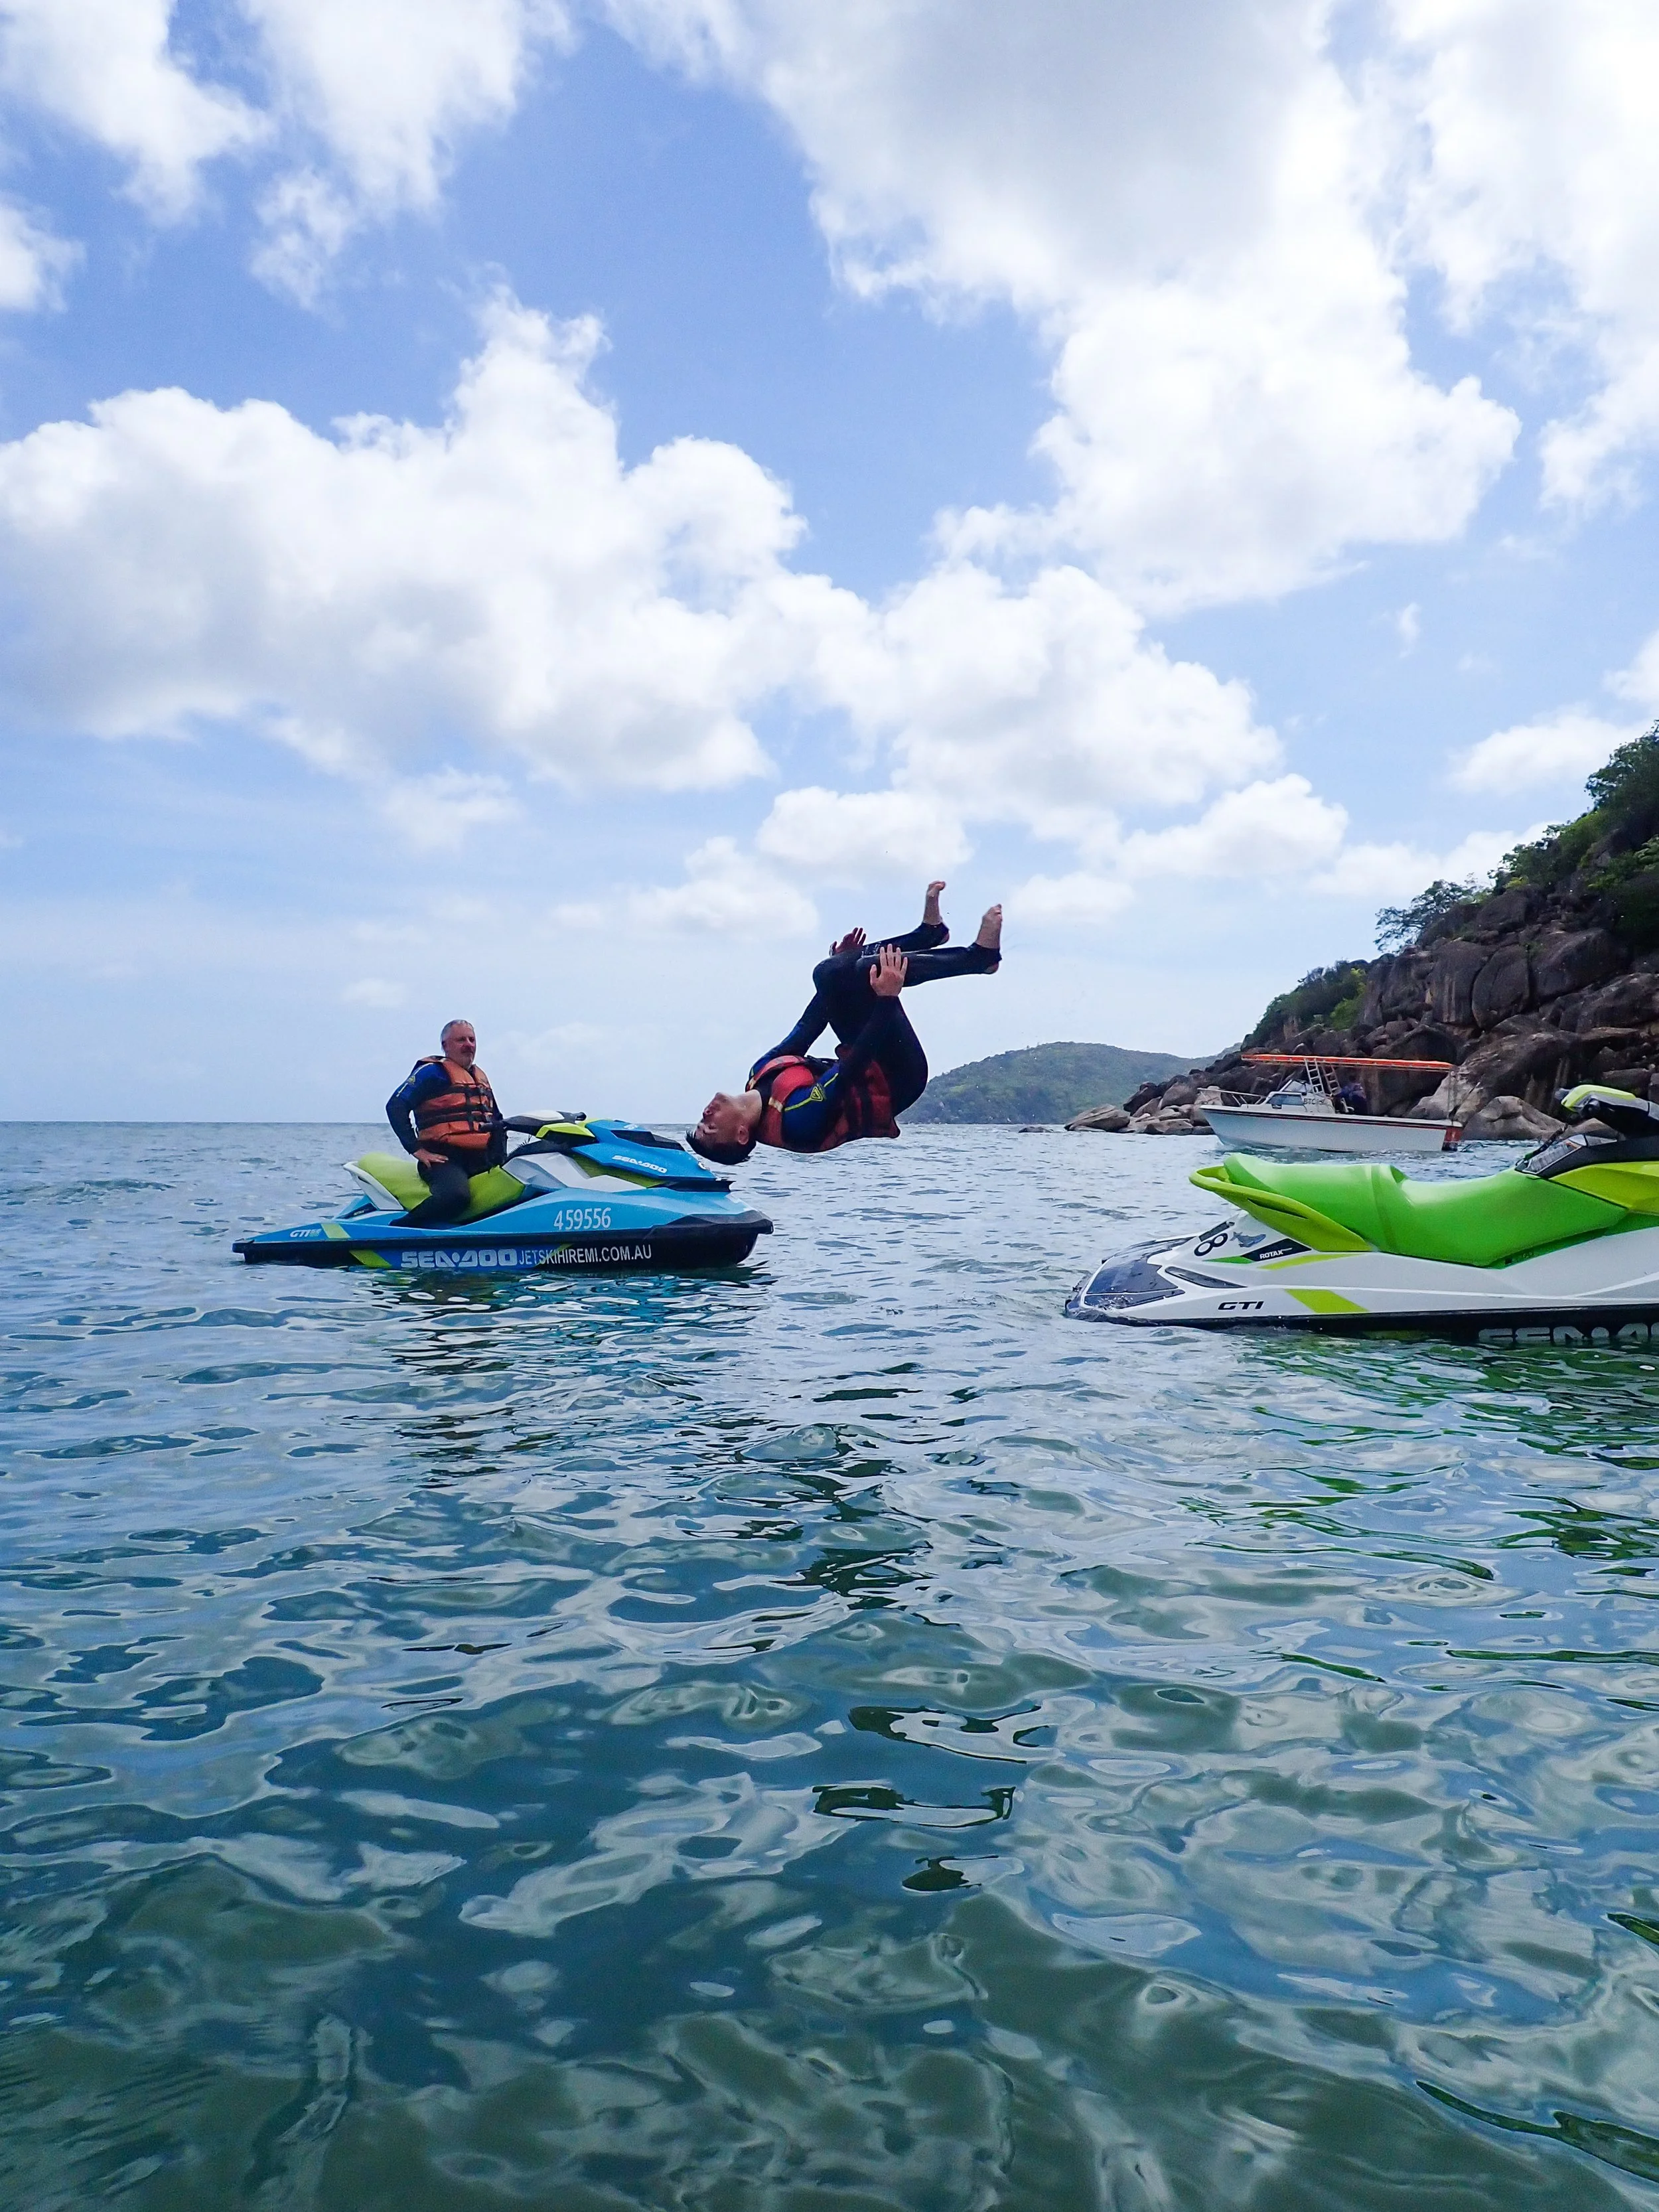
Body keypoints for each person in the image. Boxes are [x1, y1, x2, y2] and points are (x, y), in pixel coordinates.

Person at [688, 882, 1002, 1164]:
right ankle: (978, 958)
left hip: (870, 1057)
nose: (706, 1113)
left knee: (829, 973)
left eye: (702, 1120)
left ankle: (929, 935)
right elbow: (853, 1067)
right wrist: (886, 999)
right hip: (899, 1079)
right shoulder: (799, 1121)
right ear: (743, 1134)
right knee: (856, 972)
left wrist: (839, 969)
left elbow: (809, 1025)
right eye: (711, 1125)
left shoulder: (758, 1074)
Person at [386, 1019, 506, 1225]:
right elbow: (395, 1106)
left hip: (478, 1158)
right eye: (461, 1040)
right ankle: (401, 1229)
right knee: (456, 1197)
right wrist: (417, 1150)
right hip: (442, 1159)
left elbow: (497, 1121)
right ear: (445, 1046)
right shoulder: (432, 1073)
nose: (468, 1044)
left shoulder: (480, 1078)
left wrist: (502, 1159)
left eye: (472, 1039)